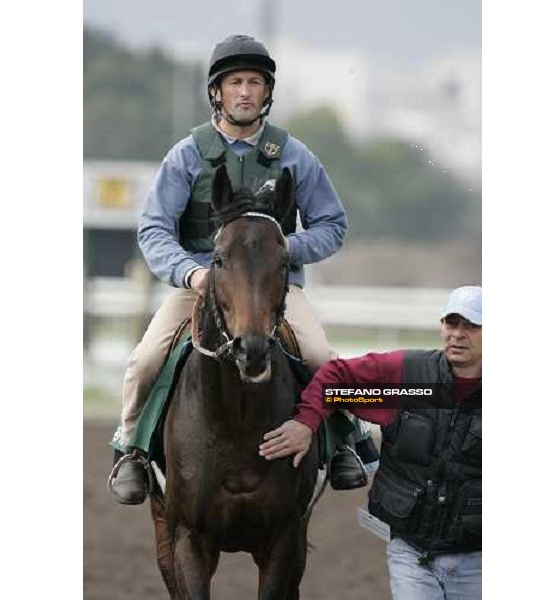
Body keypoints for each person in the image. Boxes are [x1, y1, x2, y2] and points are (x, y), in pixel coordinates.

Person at [109, 34, 369, 505]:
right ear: (218, 92)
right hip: (202, 287)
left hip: (276, 292)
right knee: (145, 360)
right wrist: (192, 274)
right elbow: (154, 229)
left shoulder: (295, 156)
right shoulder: (186, 155)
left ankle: (344, 439)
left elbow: (333, 224)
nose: (245, 91)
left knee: (321, 357)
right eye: (235, 83)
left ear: (267, 93)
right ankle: (132, 449)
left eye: (254, 82)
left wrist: (285, 250)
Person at [259, 285, 482, 600]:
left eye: (471, 326)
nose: (457, 334)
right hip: (413, 554)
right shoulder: (406, 379)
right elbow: (337, 381)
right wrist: (306, 422)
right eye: (451, 323)